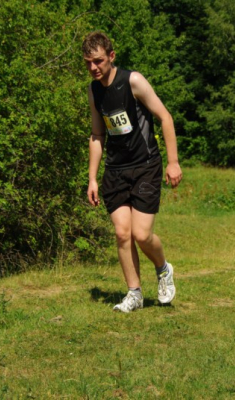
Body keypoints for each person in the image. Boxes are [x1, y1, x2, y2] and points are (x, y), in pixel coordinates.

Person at [82, 31, 182, 312]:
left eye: (98, 61)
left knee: (141, 234)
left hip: (145, 166)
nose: (93, 67)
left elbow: (165, 117)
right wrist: (92, 178)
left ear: (111, 57)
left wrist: (173, 162)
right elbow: (97, 134)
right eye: (88, 62)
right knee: (122, 233)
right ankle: (134, 293)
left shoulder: (133, 81)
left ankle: (163, 268)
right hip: (115, 170)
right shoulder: (93, 91)